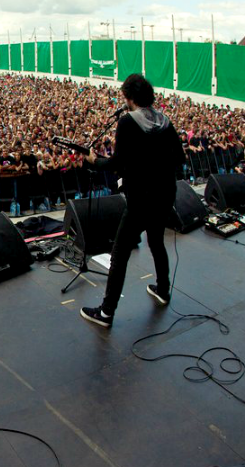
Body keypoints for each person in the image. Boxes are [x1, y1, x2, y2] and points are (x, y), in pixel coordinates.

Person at [80, 74, 185, 328]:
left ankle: (106, 312)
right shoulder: (165, 121)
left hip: (141, 199)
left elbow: (117, 163)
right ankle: (162, 289)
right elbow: (179, 157)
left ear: (128, 98)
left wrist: (95, 161)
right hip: (165, 193)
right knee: (157, 241)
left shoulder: (128, 122)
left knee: (120, 254)